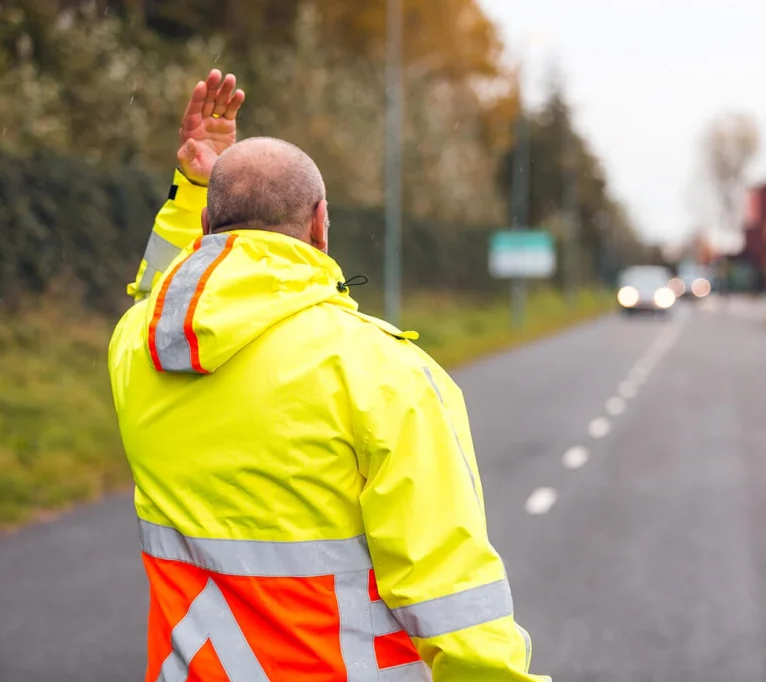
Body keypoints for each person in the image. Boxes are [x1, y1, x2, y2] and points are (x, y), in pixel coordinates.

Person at [108, 69, 550, 682]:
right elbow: (451, 596)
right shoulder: (381, 373)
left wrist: (192, 189)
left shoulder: (140, 349)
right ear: (320, 222)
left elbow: (162, 292)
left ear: (209, 226)